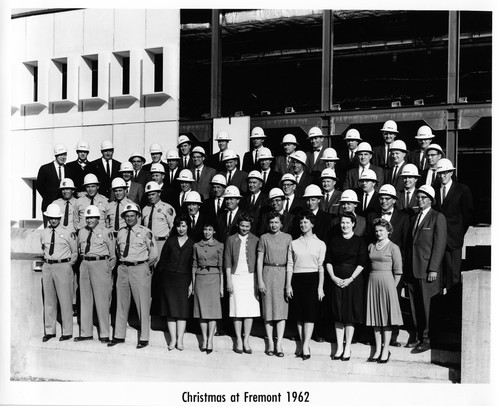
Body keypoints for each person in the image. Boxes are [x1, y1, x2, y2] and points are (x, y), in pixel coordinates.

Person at [108, 203, 158, 349]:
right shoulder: (121, 232)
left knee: (142, 303)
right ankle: (119, 335)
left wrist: (143, 266)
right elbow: (118, 251)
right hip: (123, 268)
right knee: (121, 303)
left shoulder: (145, 232)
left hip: (140, 268)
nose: (129, 218)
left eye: (132, 216)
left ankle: (144, 337)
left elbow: (154, 254)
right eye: (127, 216)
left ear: (138, 216)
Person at [406, 185, 447, 353]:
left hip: (427, 269)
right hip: (413, 268)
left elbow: (439, 245)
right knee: (415, 305)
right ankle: (416, 334)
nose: (420, 200)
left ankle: (427, 338)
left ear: (431, 200)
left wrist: (433, 269)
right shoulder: (414, 218)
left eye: (423, 197)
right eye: (419, 197)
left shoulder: (437, 217)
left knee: (427, 305)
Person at [325, 212, 368, 361]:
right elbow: (328, 260)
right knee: (338, 315)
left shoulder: (359, 241)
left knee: (349, 316)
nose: (344, 225)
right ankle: (339, 347)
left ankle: (348, 347)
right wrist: (333, 277)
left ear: (353, 224)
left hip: (353, 281)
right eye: (342, 223)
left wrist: (350, 279)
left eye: (347, 223)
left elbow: (362, 263)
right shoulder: (334, 240)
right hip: (336, 280)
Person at [286, 211, 326, 360]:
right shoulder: (294, 243)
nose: (303, 225)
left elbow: (321, 267)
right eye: (301, 222)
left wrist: (320, 287)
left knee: (309, 314)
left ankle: (305, 346)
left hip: (312, 279)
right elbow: (290, 265)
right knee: (299, 315)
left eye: (306, 222)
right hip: (297, 279)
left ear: (312, 224)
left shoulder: (320, 244)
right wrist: (288, 285)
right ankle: (303, 344)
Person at [75, 205, 116, 343]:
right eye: (87, 218)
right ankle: (86, 332)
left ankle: (104, 333)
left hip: (100, 264)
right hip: (85, 264)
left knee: (102, 300)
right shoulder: (81, 232)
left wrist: (107, 269)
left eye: (92, 217)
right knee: (85, 299)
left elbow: (112, 254)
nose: (90, 220)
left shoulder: (106, 232)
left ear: (98, 218)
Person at [155, 213, 195, 350]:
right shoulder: (170, 241)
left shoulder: (193, 243)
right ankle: (172, 340)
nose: (181, 229)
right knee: (170, 310)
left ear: (188, 227)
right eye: (178, 226)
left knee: (182, 311)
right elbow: (162, 261)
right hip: (169, 279)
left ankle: (181, 340)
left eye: (183, 226)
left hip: (184, 279)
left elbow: (193, 265)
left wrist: (191, 283)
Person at [365, 218, 403, 363]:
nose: (378, 233)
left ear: (388, 231)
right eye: (376, 231)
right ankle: (378, 350)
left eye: (381, 230)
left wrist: (392, 288)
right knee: (375, 318)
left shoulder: (394, 248)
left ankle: (385, 350)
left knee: (386, 319)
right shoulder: (371, 246)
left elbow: (398, 271)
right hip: (373, 282)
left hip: (388, 283)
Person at [256, 211, 293, 357]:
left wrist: (288, 283)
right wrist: (260, 280)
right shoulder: (264, 238)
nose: (274, 225)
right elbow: (259, 260)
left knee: (281, 311)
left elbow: (290, 260)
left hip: (282, 273)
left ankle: (279, 344)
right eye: (271, 222)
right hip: (268, 272)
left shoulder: (288, 238)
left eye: (276, 222)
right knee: (268, 310)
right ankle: (270, 342)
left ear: (281, 223)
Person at [40, 203, 78, 342]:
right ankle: (49, 331)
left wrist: (68, 266)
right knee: (49, 300)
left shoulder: (69, 232)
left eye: (56, 218)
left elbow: (75, 253)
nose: (53, 220)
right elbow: (42, 249)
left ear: (60, 218)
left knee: (65, 300)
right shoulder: (44, 232)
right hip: (48, 266)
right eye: (51, 218)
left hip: (63, 266)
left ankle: (67, 331)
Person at [434, 158, 473, 291]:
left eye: (445, 173)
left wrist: (458, 232)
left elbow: (468, 215)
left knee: (453, 277)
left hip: (453, 239)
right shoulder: (434, 190)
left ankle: (452, 308)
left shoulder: (462, 190)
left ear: (451, 173)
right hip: (437, 239)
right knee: (438, 276)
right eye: (440, 173)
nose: (442, 176)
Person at [224, 213, 260, 354]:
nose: (245, 228)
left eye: (247, 226)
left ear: (250, 226)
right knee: (237, 310)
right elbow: (227, 261)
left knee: (249, 310)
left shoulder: (256, 240)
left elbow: (258, 261)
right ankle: (238, 339)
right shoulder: (231, 240)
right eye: (242, 225)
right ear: (238, 225)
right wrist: (228, 280)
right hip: (236, 277)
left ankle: (246, 339)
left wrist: (258, 281)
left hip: (251, 277)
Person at [192, 222, 224, 354]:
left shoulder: (220, 245)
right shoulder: (196, 246)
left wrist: (221, 286)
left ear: (214, 232)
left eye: (210, 230)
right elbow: (194, 264)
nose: (207, 232)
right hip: (200, 277)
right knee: (201, 310)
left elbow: (221, 267)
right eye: (205, 229)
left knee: (213, 310)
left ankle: (210, 339)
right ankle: (204, 338)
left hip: (214, 278)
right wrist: (193, 285)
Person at [141, 181, 176, 256]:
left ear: (159, 193)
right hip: (148, 243)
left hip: (161, 242)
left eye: (153, 194)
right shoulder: (145, 209)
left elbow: (173, 227)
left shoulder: (167, 208)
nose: (151, 197)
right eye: (149, 195)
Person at [37, 144, 68, 221]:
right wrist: (48, 197)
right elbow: (39, 186)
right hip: (49, 205)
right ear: (55, 155)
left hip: (63, 206)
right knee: (48, 231)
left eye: (64, 154)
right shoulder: (45, 168)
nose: (63, 157)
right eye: (60, 155)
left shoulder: (68, 169)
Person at [240, 170, 268, 235]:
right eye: (250, 182)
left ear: (260, 184)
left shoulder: (266, 199)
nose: (251, 185)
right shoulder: (244, 199)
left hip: (259, 234)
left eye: (254, 182)